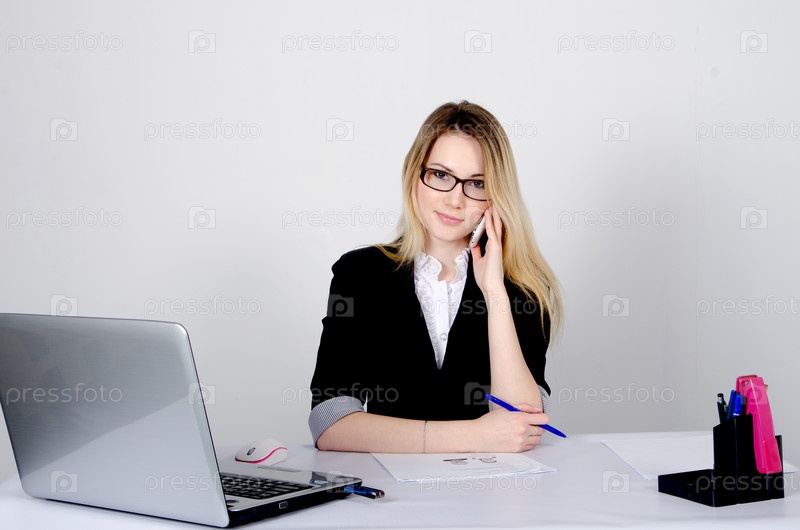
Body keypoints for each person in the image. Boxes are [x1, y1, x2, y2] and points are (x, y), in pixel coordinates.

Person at [308, 100, 562, 453]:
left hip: (491, 484)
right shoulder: (360, 274)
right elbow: (330, 422)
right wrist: (474, 436)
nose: (455, 200)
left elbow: (524, 423)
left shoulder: (524, 287)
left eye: (477, 183)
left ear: (497, 197)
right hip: (387, 483)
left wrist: (494, 292)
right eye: (441, 175)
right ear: (415, 175)